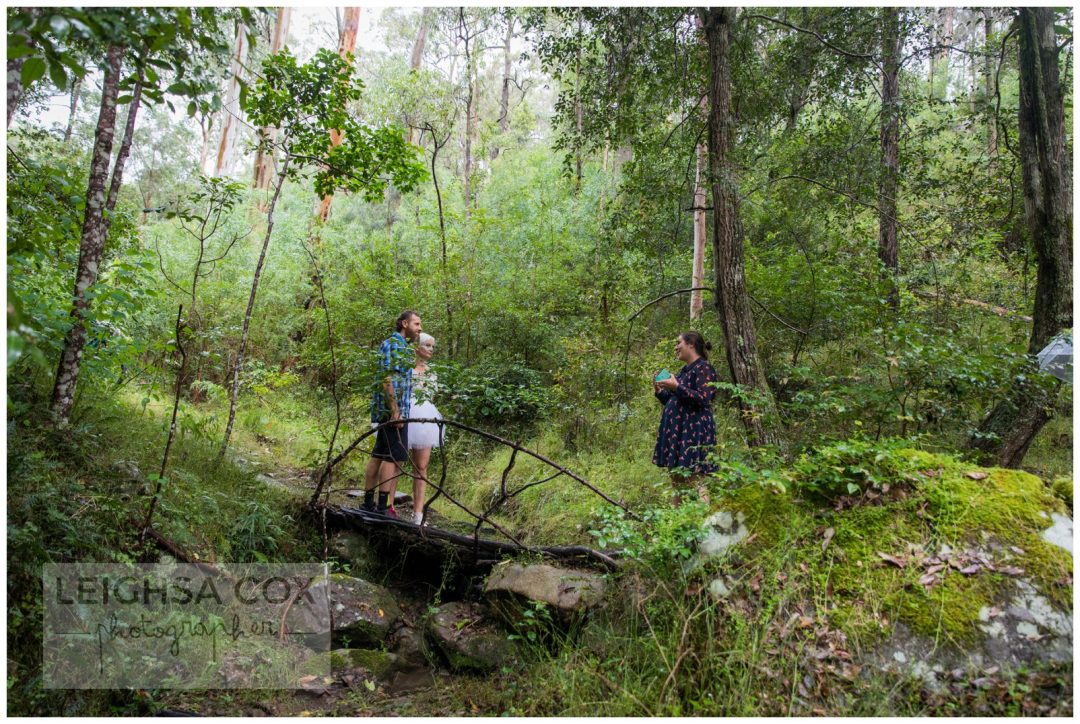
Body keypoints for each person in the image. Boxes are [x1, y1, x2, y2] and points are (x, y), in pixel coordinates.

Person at [363, 310, 422, 518]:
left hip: (390, 411)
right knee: (392, 458)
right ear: (404, 324)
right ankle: (382, 507)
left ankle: (368, 503)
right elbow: (387, 378)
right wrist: (395, 411)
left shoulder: (403, 347)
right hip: (391, 412)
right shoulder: (394, 344)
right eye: (416, 324)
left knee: (378, 454)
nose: (420, 328)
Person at [653, 331, 718, 506]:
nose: (676, 347)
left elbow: (704, 398)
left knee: (696, 479)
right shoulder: (685, 370)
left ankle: (705, 524)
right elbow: (675, 401)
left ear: (691, 344)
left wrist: (677, 386)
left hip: (694, 432)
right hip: (679, 432)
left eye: (678, 343)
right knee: (676, 479)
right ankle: (676, 527)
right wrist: (661, 391)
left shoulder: (704, 368)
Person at [407, 333, 444, 524]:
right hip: (407, 416)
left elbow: (431, 398)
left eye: (432, 346)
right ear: (417, 347)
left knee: (421, 467)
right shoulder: (406, 369)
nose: (430, 349)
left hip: (426, 420)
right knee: (395, 461)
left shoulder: (431, 372)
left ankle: (418, 514)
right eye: (427, 345)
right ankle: (386, 506)